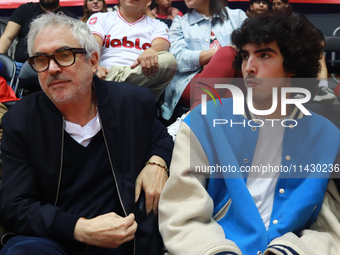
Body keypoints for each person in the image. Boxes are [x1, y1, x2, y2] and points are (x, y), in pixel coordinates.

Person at [159, 13, 340, 255]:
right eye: (245, 56)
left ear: (294, 65)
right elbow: (181, 213)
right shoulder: (204, 121)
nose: (248, 67)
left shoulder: (326, 136)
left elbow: (329, 226)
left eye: (264, 55)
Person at [0, 12, 173, 255]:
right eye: (40, 60)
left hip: (127, 240)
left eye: (63, 55)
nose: (52, 68)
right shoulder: (20, 121)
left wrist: (158, 161)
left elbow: (163, 138)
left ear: (93, 61)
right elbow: (14, 206)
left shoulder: (131, 103)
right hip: (54, 240)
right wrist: (80, 229)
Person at [160, 0, 247, 122]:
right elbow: (178, 58)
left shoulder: (237, 16)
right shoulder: (180, 22)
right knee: (232, 94)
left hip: (235, 76)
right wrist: (217, 56)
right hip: (191, 78)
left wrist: (219, 61)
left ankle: (188, 122)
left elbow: (250, 50)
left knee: (230, 58)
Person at [87, 0, 177, 101]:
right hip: (104, 75)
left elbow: (161, 44)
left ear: (148, 2)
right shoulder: (100, 18)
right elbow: (92, 46)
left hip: (137, 81)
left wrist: (152, 50)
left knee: (169, 61)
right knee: (85, 60)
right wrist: (97, 67)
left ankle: (111, 83)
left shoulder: (158, 24)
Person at [0, 0, 76, 72]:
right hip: (20, 68)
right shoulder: (24, 9)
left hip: (55, 67)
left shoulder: (70, 19)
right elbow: (7, 37)